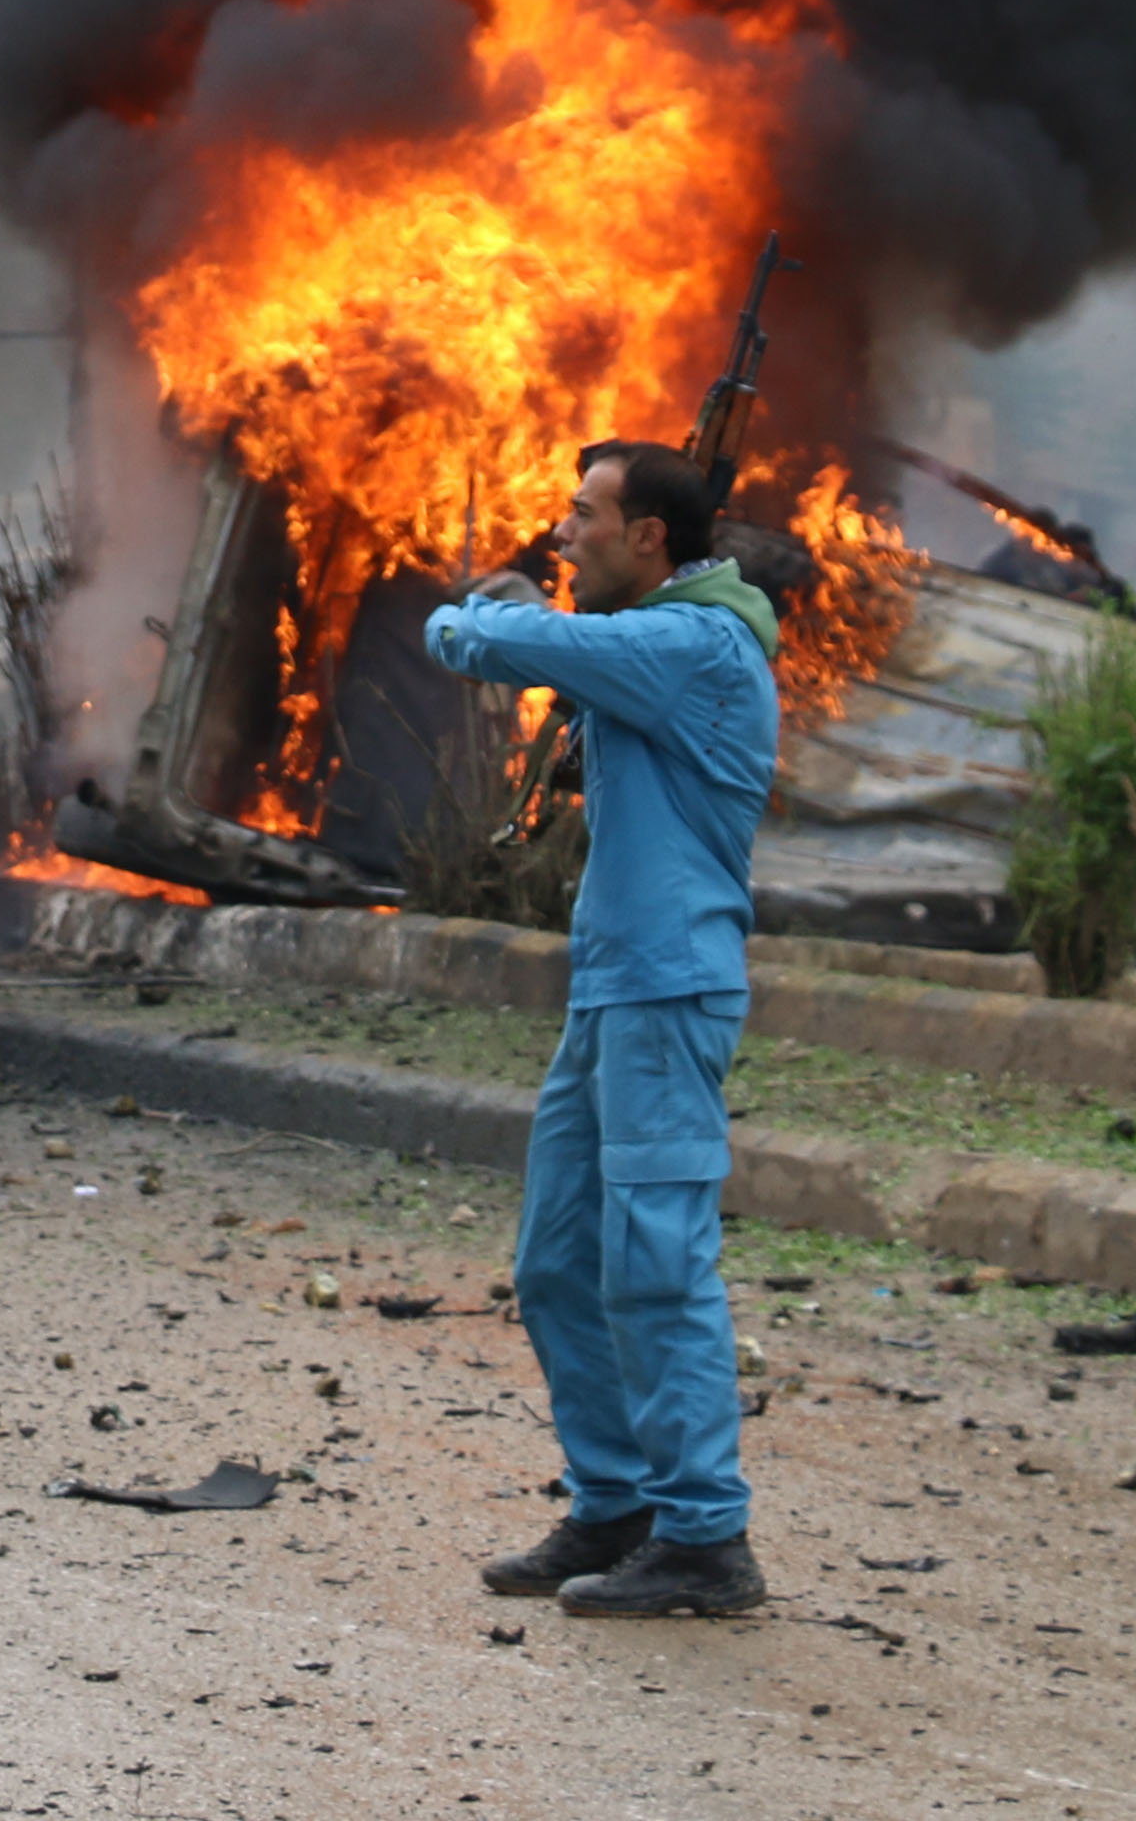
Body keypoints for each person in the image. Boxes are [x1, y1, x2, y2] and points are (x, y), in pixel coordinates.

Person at [428, 440, 783, 1619]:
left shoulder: (698, 645)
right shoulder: (656, 636)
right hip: (612, 991)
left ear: (651, 539)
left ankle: (704, 1536)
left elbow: (521, 645)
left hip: (668, 993)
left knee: (656, 1262)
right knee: (556, 1260)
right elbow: (576, 651)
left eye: (585, 514)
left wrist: (478, 613)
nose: (564, 531)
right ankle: (616, 1503)